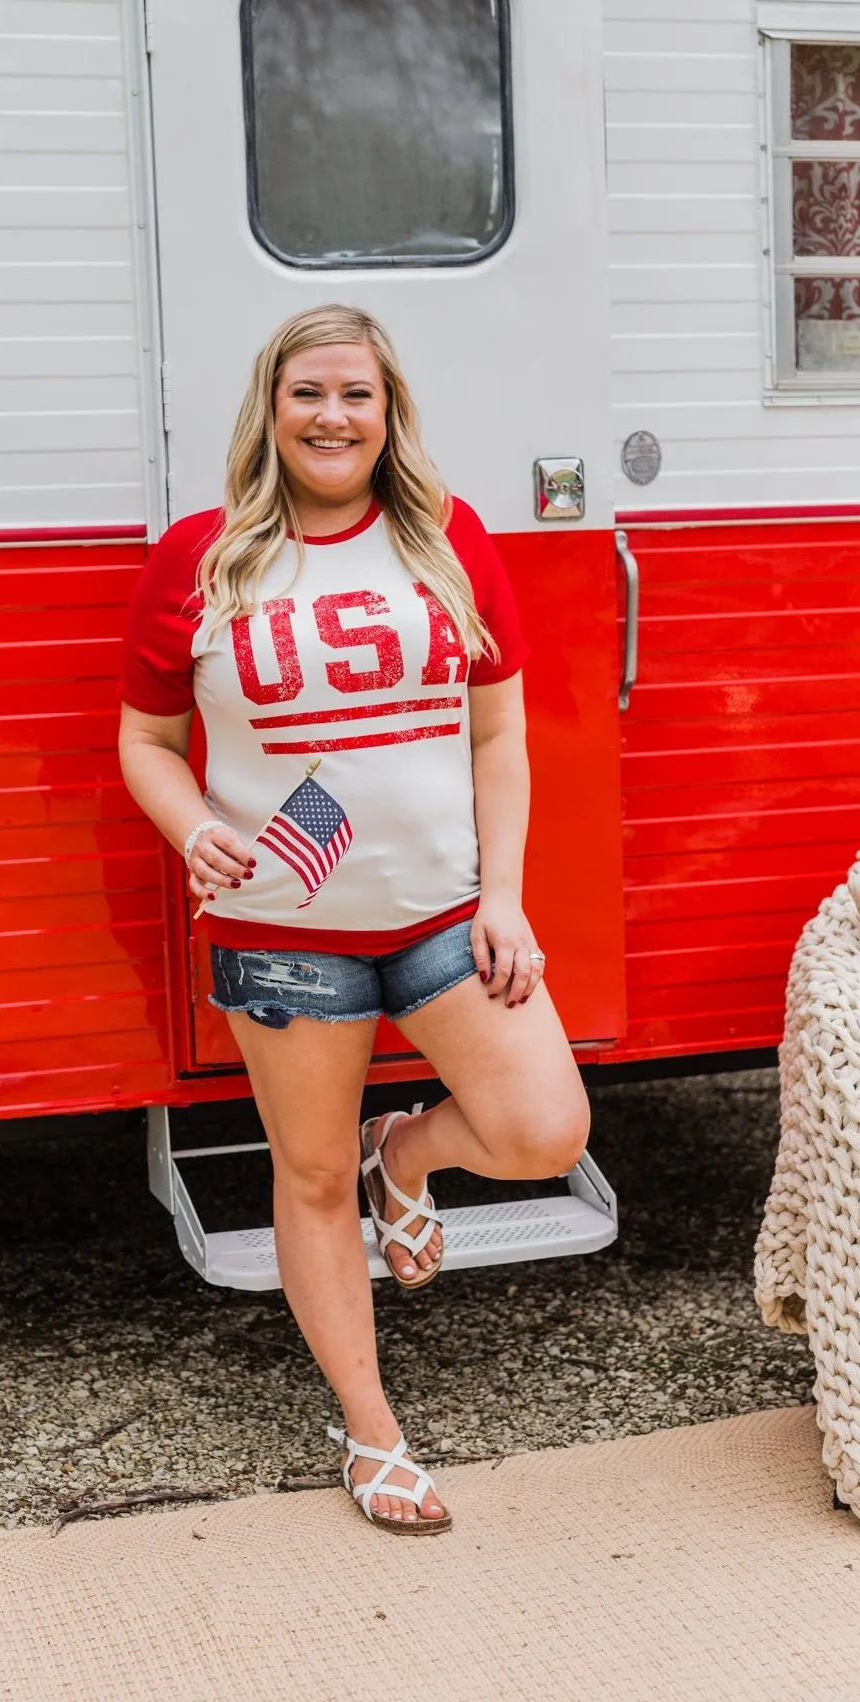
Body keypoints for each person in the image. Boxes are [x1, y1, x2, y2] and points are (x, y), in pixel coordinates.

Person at [119, 304, 590, 1534]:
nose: (332, 417)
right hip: (282, 932)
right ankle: (372, 1429)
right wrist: (188, 826)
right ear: (270, 408)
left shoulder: (446, 543)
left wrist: (503, 897)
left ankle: (413, 1154)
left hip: (441, 911)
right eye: (308, 394)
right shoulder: (199, 561)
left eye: (357, 397)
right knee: (312, 1174)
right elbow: (147, 741)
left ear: (389, 418)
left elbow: (498, 732)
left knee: (543, 1128)